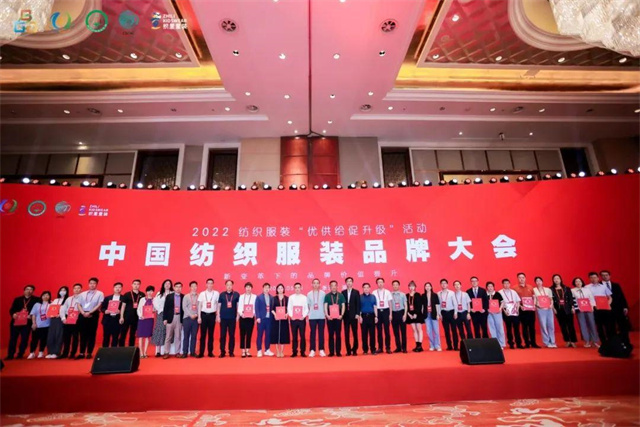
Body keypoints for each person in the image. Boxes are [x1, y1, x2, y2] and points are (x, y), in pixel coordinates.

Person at [6, 285, 39, 360]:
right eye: (27, 289)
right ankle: (10, 354)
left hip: (27, 323)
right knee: (13, 339)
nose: (29, 291)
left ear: (33, 291)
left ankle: (20, 353)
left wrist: (31, 315)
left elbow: (38, 310)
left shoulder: (36, 300)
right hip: (16, 322)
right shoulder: (17, 299)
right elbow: (12, 309)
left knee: (24, 339)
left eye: (31, 289)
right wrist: (13, 314)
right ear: (24, 291)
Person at [77, 277, 104, 359]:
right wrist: (83, 312)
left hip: (93, 314)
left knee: (91, 334)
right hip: (82, 314)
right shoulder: (82, 294)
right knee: (82, 334)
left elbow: (99, 304)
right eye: (91, 283)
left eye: (94, 283)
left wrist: (90, 312)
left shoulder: (100, 293)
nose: (92, 285)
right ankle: (81, 353)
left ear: (96, 284)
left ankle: (89, 352)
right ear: (88, 284)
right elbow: (78, 304)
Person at [600, 270, 630, 346]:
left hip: (618, 308)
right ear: (601, 276)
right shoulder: (599, 286)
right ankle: (612, 343)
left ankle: (625, 341)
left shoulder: (616, 285)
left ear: (610, 276)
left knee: (622, 326)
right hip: (606, 309)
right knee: (610, 327)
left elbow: (621, 296)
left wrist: (625, 306)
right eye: (603, 275)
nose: (605, 276)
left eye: (606, 275)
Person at [586, 272, 615, 343]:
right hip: (595, 308)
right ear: (589, 279)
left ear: (598, 278)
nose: (593, 279)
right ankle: (603, 341)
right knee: (599, 326)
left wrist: (608, 304)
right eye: (591, 278)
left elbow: (610, 297)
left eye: (595, 277)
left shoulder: (603, 286)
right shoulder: (586, 287)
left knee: (608, 325)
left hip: (605, 308)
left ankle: (610, 340)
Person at [572, 277, 599, 348]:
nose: (578, 283)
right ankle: (586, 341)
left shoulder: (587, 289)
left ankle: (594, 341)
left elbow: (591, 298)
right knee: (582, 325)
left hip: (589, 308)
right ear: (574, 283)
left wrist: (592, 306)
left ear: (582, 282)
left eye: (579, 281)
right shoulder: (572, 290)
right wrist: (574, 308)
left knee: (592, 324)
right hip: (579, 309)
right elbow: (572, 300)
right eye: (576, 281)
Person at [551, 274, 577, 347]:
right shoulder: (551, 289)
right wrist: (553, 308)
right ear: (553, 280)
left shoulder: (566, 288)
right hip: (558, 310)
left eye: (558, 278)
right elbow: (551, 300)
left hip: (568, 309)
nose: (556, 280)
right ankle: (567, 340)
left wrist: (572, 307)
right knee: (563, 326)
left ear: (560, 279)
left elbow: (571, 298)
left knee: (570, 325)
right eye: (555, 279)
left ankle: (573, 341)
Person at [514, 272, 539, 348]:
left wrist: (534, 304)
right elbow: (514, 300)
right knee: (524, 327)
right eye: (520, 278)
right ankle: (527, 343)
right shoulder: (515, 288)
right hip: (522, 309)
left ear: (525, 278)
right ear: (518, 279)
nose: (521, 279)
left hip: (531, 310)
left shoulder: (530, 287)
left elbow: (534, 297)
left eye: (523, 277)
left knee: (532, 327)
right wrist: (520, 306)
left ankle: (533, 343)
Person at [217, 279, 240, 358]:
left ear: (232, 285)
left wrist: (237, 316)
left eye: (230, 285)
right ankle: (222, 352)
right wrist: (218, 316)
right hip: (223, 318)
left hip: (232, 318)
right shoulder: (222, 294)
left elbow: (238, 306)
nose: (229, 286)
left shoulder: (236, 294)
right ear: (225, 286)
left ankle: (231, 352)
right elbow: (219, 306)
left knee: (231, 335)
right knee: (222, 335)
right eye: (227, 285)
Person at [197, 278, 219, 358]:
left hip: (212, 315)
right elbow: (199, 306)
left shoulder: (216, 293)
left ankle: (210, 352)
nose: (210, 285)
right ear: (206, 284)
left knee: (211, 335)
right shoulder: (202, 294)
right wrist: (199, 317)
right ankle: (201, 352)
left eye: (211, 283)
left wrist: (217, 315)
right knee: (202, 335)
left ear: (213, 284)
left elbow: (217, 305)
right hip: (203, 315)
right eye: (208, 283)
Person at [533, 276, 556, 348]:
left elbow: (551, 299)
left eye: (540, 281)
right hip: (540, 309)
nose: (538, 282)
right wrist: (537, 305)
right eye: (537, 281)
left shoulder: (548, 289)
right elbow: (534, 300)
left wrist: (551, 305)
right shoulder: (534, 290)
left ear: (542, 282)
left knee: (551, 325)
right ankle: (546, 342)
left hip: (549, 309)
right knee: (543, 326)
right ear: (535, 282)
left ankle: (553, 342)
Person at [500, 278, 523, 349]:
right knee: (508, 328)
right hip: (506, 312)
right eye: (505, 283)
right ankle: (511, 343)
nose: (506, 285)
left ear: (509, 284)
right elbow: (500, 304)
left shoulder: (513, 292)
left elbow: (518, 301)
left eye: (508, 283)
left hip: (515, 312)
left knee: (517, 328)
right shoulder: (500, 293)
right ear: (502, 284)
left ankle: (519, 343)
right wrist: (504, 311)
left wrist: (517, 310)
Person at [60, 283, 82, 359]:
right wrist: (63, 318)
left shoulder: (83, 298)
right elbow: (63, 308)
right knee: (66, 337)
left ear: (81, 289)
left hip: (77, 318)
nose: (76, 290)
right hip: (68, 318)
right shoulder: (68, 299)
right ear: (73, 290)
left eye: (78, 288)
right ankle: (65, 353)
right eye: (75, 288)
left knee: (75, 337)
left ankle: (73, 353)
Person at [324, 280, 345, 357]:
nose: (333, 287)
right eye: (332, 285)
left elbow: (343, 305)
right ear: (330, 287)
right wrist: (327, 315)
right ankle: (331, 352)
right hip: (330, 318)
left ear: (337, 286)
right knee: (331, 335)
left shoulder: (341, 295)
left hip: (338, 317)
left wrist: (341, 315)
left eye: (335, 285)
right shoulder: (327, 296)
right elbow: (325, 306)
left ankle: (338, 351)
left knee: (338, 334)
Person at [45, 286, 68, 359]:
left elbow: (66, 310)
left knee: (58, 335)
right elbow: (50, 308)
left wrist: (60, 315)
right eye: (61, 290)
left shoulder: (67, 300)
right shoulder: (55, 300)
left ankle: (56, 352)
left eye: (64, 290)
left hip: (60, 319)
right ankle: (50, 352)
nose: (62, 291)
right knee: (51, 335)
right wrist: (51, 314)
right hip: (53, 319)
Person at [162, 282, 184, 359]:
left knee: (178, 336)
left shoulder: (183, 296)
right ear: (174, 288)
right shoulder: (169, 296)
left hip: (179, 318)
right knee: (168, 336)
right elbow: (165, 308)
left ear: (181, 288)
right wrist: (164, 318)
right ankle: (166, 352)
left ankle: (177, 352)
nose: (178, 288)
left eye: (180, 287)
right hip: (170, 318)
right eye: (176, 287)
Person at [101, 282, 125, 348]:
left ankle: (113, 351)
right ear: (113, 288)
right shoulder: (107, 298)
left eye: (119, 287)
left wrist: (120, 311)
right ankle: (104, 351)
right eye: (116, 287)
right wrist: (105, 311)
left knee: (115, 336)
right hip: (108, 319)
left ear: (121, 288)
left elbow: (125, 309)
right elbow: (102, 308)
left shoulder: (123, 298)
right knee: (106, 336)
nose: (117, 289)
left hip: (117, 319)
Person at [28, 291, 51, 359]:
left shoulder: (51, 304)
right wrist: (33, 323)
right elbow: (33, 314)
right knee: (34, 340)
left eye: (47, 295)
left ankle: (41, 352)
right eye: (44, 295)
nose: (45, 296)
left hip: (47, 325)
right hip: (38, 324)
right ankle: (32, 352)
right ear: (41, 296)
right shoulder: (37, 304)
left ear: (49, 297)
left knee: (44, 339)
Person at [120, 279, 144, 347]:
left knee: (133, 334)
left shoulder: (142, 294)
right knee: (123, 333)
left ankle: (131, 348)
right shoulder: (127, 294)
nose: (136, 285)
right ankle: (121, 348)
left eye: (138, 284)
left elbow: (144, 306)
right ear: (132, 285)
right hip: (126, 317)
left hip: (136, 317)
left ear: (140, 285)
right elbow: (123, 306)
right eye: (134, 284)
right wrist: (121, 317)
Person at [152, 280, 172, 357]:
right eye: (166, 283)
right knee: (160, 330)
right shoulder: (159, 294)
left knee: (168, 331)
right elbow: (155, 303)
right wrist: (160, 310)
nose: (167, 285)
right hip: (161, 314)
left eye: (169, 283)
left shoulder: (172, 293)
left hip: (170, 314)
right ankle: (158, 351)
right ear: (163, 285)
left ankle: (167, 351)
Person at [288, 282, 309, 357]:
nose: (297, 289)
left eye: (298, 287)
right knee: (294, 336)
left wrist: (303, 316)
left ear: (301, 288)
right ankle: (294, 351)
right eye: (296, 288)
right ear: (294, 288)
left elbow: (306, 308)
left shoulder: (304, 297)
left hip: (301, 319)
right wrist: (291, 316)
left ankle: (303, 351)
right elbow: (289, 308)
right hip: (293, 319)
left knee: (302, 336)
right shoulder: (291, 297)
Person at [307, 278, 326, 357]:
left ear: (319, 284)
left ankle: (321, 349)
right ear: (312, 284)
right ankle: (312, 350)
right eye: (314, 283)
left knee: (321, 333)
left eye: (317, 283)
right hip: (312, 316)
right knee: (312, 333)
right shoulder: (309, 294)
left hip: (321, 316)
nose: (316, 284)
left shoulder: (323, 293)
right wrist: (309, 313)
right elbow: (308, 305)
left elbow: (325, 304)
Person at [341, 277, 360, 356]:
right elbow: (342, 304)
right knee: (346, 333)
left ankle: (354, 350)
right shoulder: (343, 292)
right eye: (347, 281)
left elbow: (358, 304)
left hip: (354, 315)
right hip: (346, 316)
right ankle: (348, 350)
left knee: (355, 333)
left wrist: (357, 314)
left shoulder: (356, 292)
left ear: (352, 282)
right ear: (346, 283)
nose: (349, 283)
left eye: (350, 281)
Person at [373, 278, 393, 354]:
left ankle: (388, 347)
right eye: (378, 282)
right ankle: (380, 348)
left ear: (384, 283)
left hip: (386, 311)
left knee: (387, 330)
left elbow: (390, 304)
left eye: (381, 282)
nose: (380, 284)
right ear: (377, 284)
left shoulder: (387, 292)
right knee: (379, 331)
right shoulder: (374, 292)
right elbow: (374, 305)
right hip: (378, 311)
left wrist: (390, 314)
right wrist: (375, 315)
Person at [270, 284, 290, 358]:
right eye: (279, 288)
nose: (280, 289)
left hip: (284, 319)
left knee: (283, 334)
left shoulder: (287, 298)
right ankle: (277, 351)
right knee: (276, 334)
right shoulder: (273, 298)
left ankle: (282, 351)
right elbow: (271, 309)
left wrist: (287, 314)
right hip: (276, 319)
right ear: (277, 290)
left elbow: (289, 308)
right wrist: (275, 314)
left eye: (281, 288)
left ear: (283, 289)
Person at [238, 282, 257, 358]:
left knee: (249, 334)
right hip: (243, 317)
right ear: (245, 288)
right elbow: (239, 307)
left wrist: (253, 314)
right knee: (242, 334)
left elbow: (255, 307)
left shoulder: (254, 297)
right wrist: (241, 314)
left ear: (251, 288)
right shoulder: (241, 297)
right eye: (247, 287)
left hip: (250, 318)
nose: (248, 288)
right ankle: (243, 351)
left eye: (249, 287)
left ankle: (248, 350)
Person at [136, 285, 156, 358]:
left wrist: (154, 310)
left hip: (149, 319)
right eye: (148, 291)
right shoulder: (142, 299)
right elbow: (138, 309)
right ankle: (141, 353)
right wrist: (140, 315)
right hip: (142, 319)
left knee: (147, 336)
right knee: (141, 336)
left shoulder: (154, 300)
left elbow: (156, 309)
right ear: (146, 292)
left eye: (151, 291)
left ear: (153, 292)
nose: (150, 292)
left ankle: (145, 352)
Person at [438, 279, 458, 351]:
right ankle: (449, 346)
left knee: (454, 330)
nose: (443, 285)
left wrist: (455, 312)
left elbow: (455, 303)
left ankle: (456, 346)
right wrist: (439, 314)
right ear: (440, 285)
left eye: (445, 283)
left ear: (447, 284)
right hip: (443, 313)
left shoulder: (451, 293)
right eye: (442, 283)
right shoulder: (438, 293)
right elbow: (438, 305)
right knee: (446, 330)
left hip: (451, 312)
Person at [181, 281, 200, 358]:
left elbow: (200, 307)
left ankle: (192, 351)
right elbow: (184, 307)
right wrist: (190, 315)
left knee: (194, 336)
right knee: (186, 336)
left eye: (195, 286)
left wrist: (196, 315)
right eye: (192, 286)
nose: (194, 288)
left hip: (196, 318)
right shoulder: (186, 296)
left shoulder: (199, 296)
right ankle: (185, 352)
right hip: (187, 318)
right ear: (190, 287)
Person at [255, 283, 274, 357]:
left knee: (268, 335)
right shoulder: (259, 297)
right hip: (261, 319)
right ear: (263, 288)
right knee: (260, 335)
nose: (267, 289)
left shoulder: (271, 297)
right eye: (265, 287)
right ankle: (259, 350)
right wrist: (258, 317)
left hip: (269, 319)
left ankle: (267, 349)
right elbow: (256, 308)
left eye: (268, 287)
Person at [359, 283, 378, 355]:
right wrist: (360, 316)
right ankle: (365, 350)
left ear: (370, 288)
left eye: (367, 287)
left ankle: (373, 349)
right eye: (365, 287)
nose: (366, 289)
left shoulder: (373, 297)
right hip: (363, 316)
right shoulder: (360, 297)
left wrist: (376, 316)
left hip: (371, 316)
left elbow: (375, 307)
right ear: (363, 288)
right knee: (364, 334)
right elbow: (359, 308)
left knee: (372, 334)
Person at [390, 280, 408, 353]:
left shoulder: (403, 294)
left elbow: (405, 305)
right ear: (392, 286)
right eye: (394, 285)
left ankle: (404, 348)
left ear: (399, 286)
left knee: (403, 332)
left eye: (396, 284)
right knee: (396, 332)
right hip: (393, 313)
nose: (395, 286)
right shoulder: (390, 294)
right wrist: (390, 315)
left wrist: (405, 314)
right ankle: (398, 347)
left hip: (401, 313)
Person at [486, 282, 506, 349]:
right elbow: (484, 303)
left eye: (491, 286)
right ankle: (495, 344)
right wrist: (487, 309)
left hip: (497, 313)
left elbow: (502, 302)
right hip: (489, 313)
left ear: (493, 287)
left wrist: (500, 309)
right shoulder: (485, 294)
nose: (490, 288)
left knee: (499, 328)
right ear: (487, 287)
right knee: (491, 328)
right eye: (488, 286)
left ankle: (501, 344)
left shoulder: (497, 294)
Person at [453, 280, 472, 349]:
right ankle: (464, 344)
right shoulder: (453, 295)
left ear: (460, 286)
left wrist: (468, 313)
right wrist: (455, 313)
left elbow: (468, 304)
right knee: (460, 330)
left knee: (468, 329)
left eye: (458, 284)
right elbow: (453, 305)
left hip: (465, 312)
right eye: (455, 285)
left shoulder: (465, 294)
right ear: (454, 286)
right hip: (457, 314)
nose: (457, 286)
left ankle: (470, 343)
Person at [406, 281, 424, 352]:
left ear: (415, 287)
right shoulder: (406, 295)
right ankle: (417, 345)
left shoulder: (418, 295)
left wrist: (416, 314)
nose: (411, 287)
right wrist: (409, 314)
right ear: (408, 287)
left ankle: (420, 346)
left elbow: (420, 305)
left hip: (418, 314)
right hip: (410, 315)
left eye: (413, 286)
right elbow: (406, 306)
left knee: (419, 329)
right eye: (410, 286)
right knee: (414, 330)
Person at [423, 282, 441, 351]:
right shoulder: (423, 295)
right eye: (426, 286)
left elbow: (437, 305)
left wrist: (438, 314)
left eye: (429, 286)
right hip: (427, 314)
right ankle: (431, 345)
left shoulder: (435, 295)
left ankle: (437, 345)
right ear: (425, 288)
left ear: (431, 287)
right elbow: (422, 306)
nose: (427, 287)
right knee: (429, 331)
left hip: (434, 314)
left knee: (436, 331)